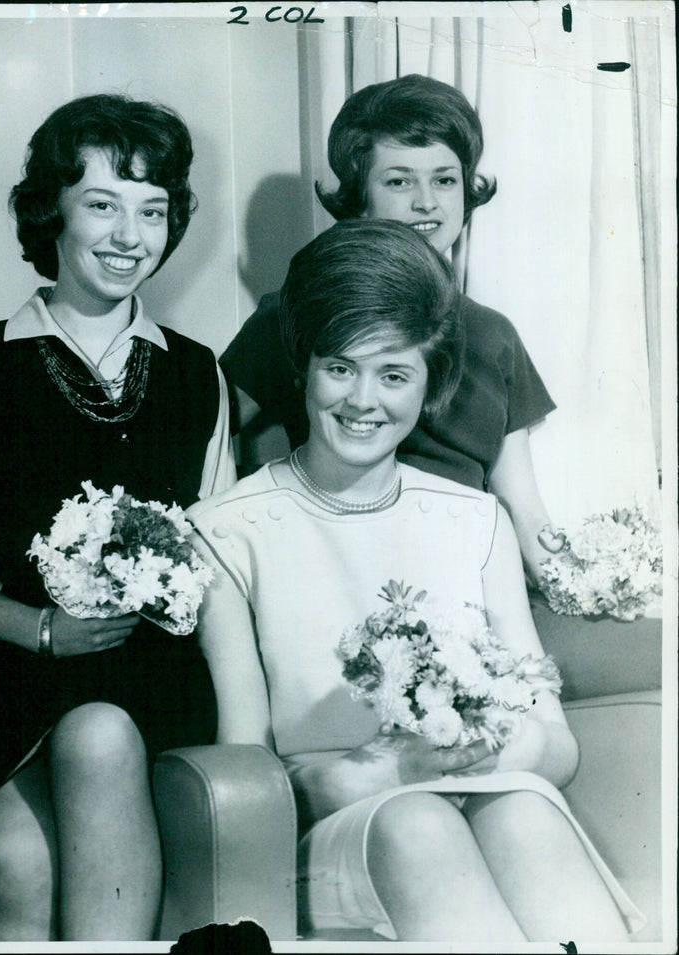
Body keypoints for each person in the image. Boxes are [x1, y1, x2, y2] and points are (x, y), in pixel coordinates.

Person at [190, 220, 643, 944]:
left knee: (525, 811)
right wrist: (393, 770)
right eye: (340, 366)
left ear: (432, 383)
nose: (362, 399)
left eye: (394, 373)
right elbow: (251, 786)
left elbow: (556, 748)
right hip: (341, 828)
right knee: (418, 820)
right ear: (302, 366)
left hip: (478, 791)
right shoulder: (225, 531)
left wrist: (483, 750)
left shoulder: (477, 520)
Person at [0, 93, 235, 941]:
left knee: (99, 731)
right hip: (11, 675)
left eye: (152, 209)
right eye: (102, 204)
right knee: (16, 862)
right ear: (53, 212)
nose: (129, 234)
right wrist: (42, 629)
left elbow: (223, 556)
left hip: (153, 679)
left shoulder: (200, 376)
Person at [219, 74, 661, 700]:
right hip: (350, 595)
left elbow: (523, 506)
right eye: (399, 181)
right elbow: (210, 442)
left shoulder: (493, 334)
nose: (427, 201)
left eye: (444, 180)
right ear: (357, 197)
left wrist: (587, 587)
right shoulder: (301, 311)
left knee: (661, 653)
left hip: (479, 593)